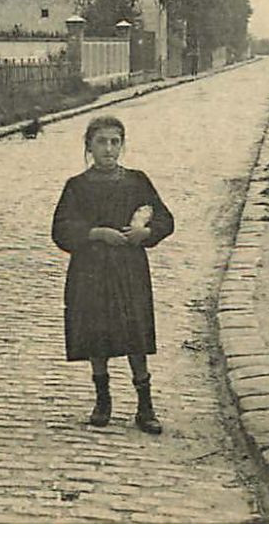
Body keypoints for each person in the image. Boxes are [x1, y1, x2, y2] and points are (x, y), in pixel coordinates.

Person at [51, 115, 175, 434]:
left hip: (129, 269)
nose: (109, 149)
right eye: (101, 142)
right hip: (91, 271)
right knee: (96, 334)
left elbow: (164, 219)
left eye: (115, 141)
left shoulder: (136, 181)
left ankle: (145, 405)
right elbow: (61, 229)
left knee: (135, 333)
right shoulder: (77, 186)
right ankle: (102, 400)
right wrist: (95, 233)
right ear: (88, 146)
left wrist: (144, 234)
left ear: (123, 145)